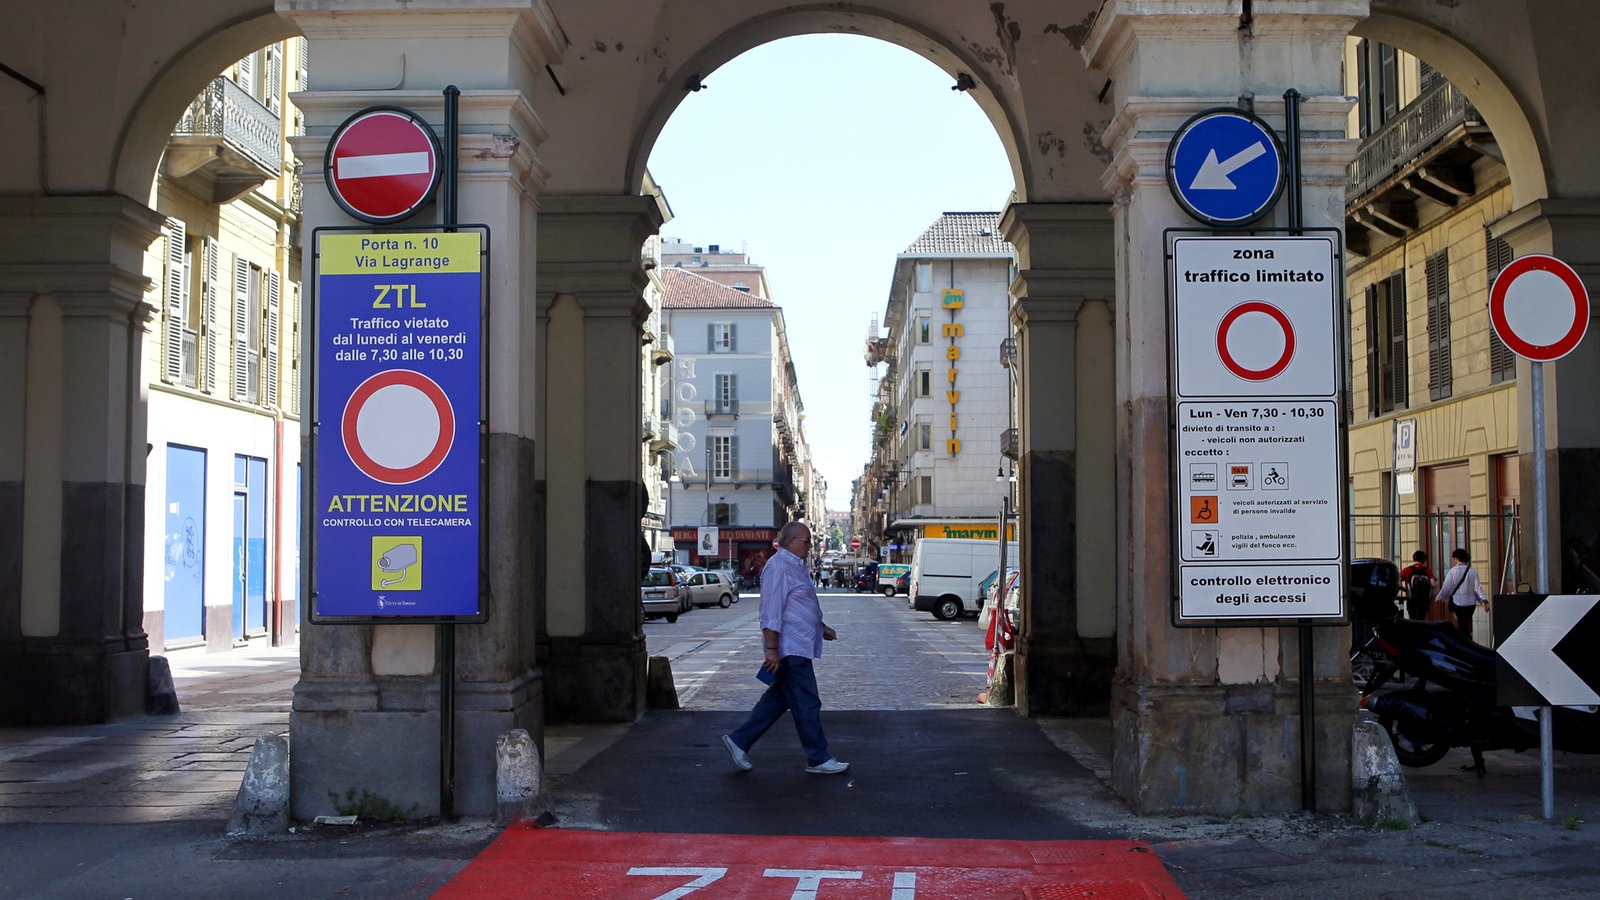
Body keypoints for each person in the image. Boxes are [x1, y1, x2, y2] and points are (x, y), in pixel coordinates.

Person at [721, 521, 849, 775]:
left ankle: (739, 740)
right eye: (806, 541)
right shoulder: (778, 567)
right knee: (808, 702)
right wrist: (771, 649)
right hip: (790, 647)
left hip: (797, 643)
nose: (811, 545)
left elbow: (797, 604)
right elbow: (771, 611)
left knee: (778, 700)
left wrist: (820, 626)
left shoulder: (796, 566)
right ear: (791, 541)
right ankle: (817, 757)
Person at [1437, 547, 1489, 635]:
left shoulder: (1452, 571)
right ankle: (1466, 639)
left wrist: (1440, 597)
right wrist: (1484, 601)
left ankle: (1464, 641)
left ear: (1456, 558)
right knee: (1465, 624)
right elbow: (1478, 588)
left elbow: (1446, 587)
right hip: (1471, 603)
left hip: (1458, 603)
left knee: (1462, 624)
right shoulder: (1473, 571)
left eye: (1453, 558)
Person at [1398, 550, 1436, 621]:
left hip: (1411, 599)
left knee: (1412, 618)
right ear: (1424, 560)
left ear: (1414, 559)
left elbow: (1397, 580)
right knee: (1422, 619)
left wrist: (1404, 589)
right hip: (1424, 601)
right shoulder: (1427, 570)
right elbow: (1433, 584)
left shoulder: (1407, 570)